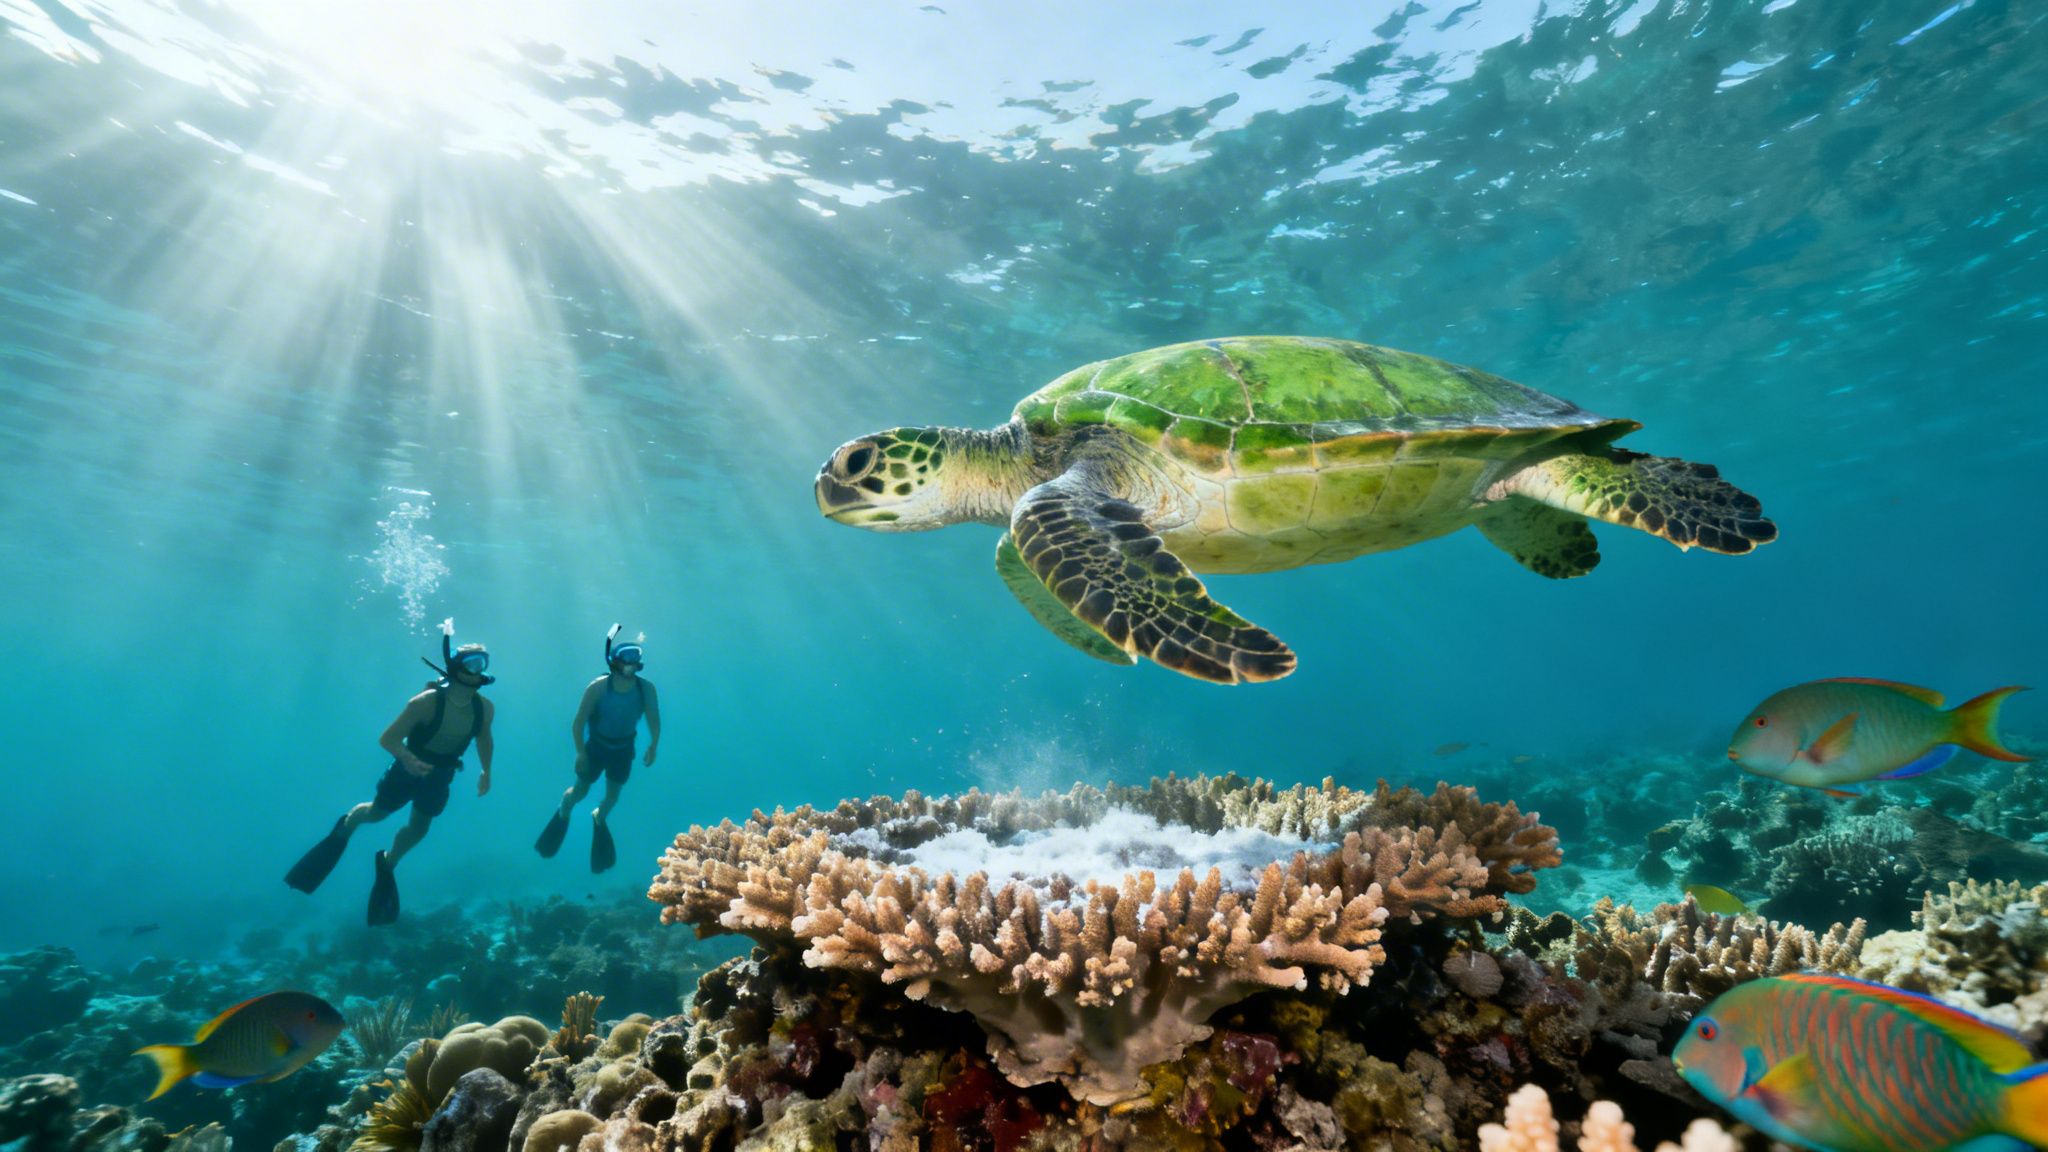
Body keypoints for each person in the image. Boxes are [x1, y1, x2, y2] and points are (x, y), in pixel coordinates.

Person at [285, 622, 496, 924]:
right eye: (472, 663)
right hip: (407, 769)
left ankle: (388, 862)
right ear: (454, 666)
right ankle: (347, 825)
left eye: (483, 663)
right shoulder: (424, 703)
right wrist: (408, 760)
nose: (479, 670)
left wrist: (486, 771)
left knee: (421, 827)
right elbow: (388, 739)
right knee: (376, 814)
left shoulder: (485, 708)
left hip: (441, 774)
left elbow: (484, 738)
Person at [535, 624, 660, 872]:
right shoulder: (598, 687)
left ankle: (599, 816)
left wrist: (653, 745)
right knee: (580, 791)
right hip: (596, 747)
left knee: (613, 796)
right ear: (614, 661)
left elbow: (654, 719)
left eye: (636, 657)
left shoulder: (646, 688)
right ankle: (564, 808)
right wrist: (581, 753)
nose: (631, 662)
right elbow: (578, 723)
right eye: (626, 657)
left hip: (623, 749)